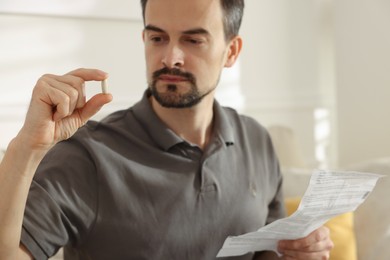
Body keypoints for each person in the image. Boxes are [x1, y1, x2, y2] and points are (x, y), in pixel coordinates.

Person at [0, 0, 334, 259]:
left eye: (192, 40)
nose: (170, 57)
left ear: (230, 51)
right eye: (158, 37)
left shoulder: (257, 140)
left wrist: (300, 249)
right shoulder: (88, 156)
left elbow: (267, 253)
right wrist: (25, 148)